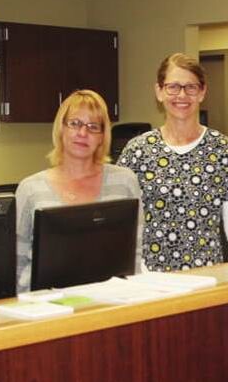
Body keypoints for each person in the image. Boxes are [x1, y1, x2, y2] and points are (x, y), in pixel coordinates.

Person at [117, 52, 228, 271]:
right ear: (159, 91)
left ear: (202, 92)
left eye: (191, 87)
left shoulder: (223, 150)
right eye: (173, 87)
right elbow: (123, 225)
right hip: (151, 281)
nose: (181, 95)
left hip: (207, 278)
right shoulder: (137, 151)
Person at [15, 89, 143, 293]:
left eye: (93, 127)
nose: (83, 133)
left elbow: (135, 253)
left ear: (102, 136)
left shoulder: (124, 181)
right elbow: (18, 261)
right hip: (49, 306)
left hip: (111, 301)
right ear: (61, 129)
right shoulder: (30, 189)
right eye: (75, 123)